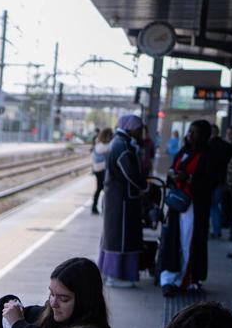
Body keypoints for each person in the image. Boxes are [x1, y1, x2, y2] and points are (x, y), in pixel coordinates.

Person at [159, 120, 215, 296]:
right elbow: (172, 170)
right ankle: (170, 277)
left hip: (195, 207)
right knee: (174, 240)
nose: (189, 135)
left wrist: (188, 178)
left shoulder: (208, 156)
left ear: (204, 135)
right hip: (178, 205)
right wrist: (172, 175)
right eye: (189, 131)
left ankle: (185, 278)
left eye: (194, 132)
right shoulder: (184, 151)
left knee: (188, 242)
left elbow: (211, 181)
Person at [99, 114, 148, 288]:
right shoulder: (123, 146)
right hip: (122, 201)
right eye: (138, 127)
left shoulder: (119, 143)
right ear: (130, 127)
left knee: (115, 234)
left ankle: (113, 273)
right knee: (121, 236)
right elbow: (131, 174)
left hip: (118, 199)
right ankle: (116, 275)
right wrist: (145, 186)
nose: (141, 131)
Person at [207, 123, 232, 237]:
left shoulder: (206, 146)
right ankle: (217, 230)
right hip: (221, 180)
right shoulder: (227, 146)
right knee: (215, 206)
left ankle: (206, 229)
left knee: (207, 206)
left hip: (208, 181)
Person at [91, 128, 113, 215]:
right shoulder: (106, 146)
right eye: (110, 135)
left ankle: (95, 207)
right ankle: (103, 208)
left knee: (99, 188)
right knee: (104, 189)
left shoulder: (98, 144)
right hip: (102, 169)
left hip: (97, 169)